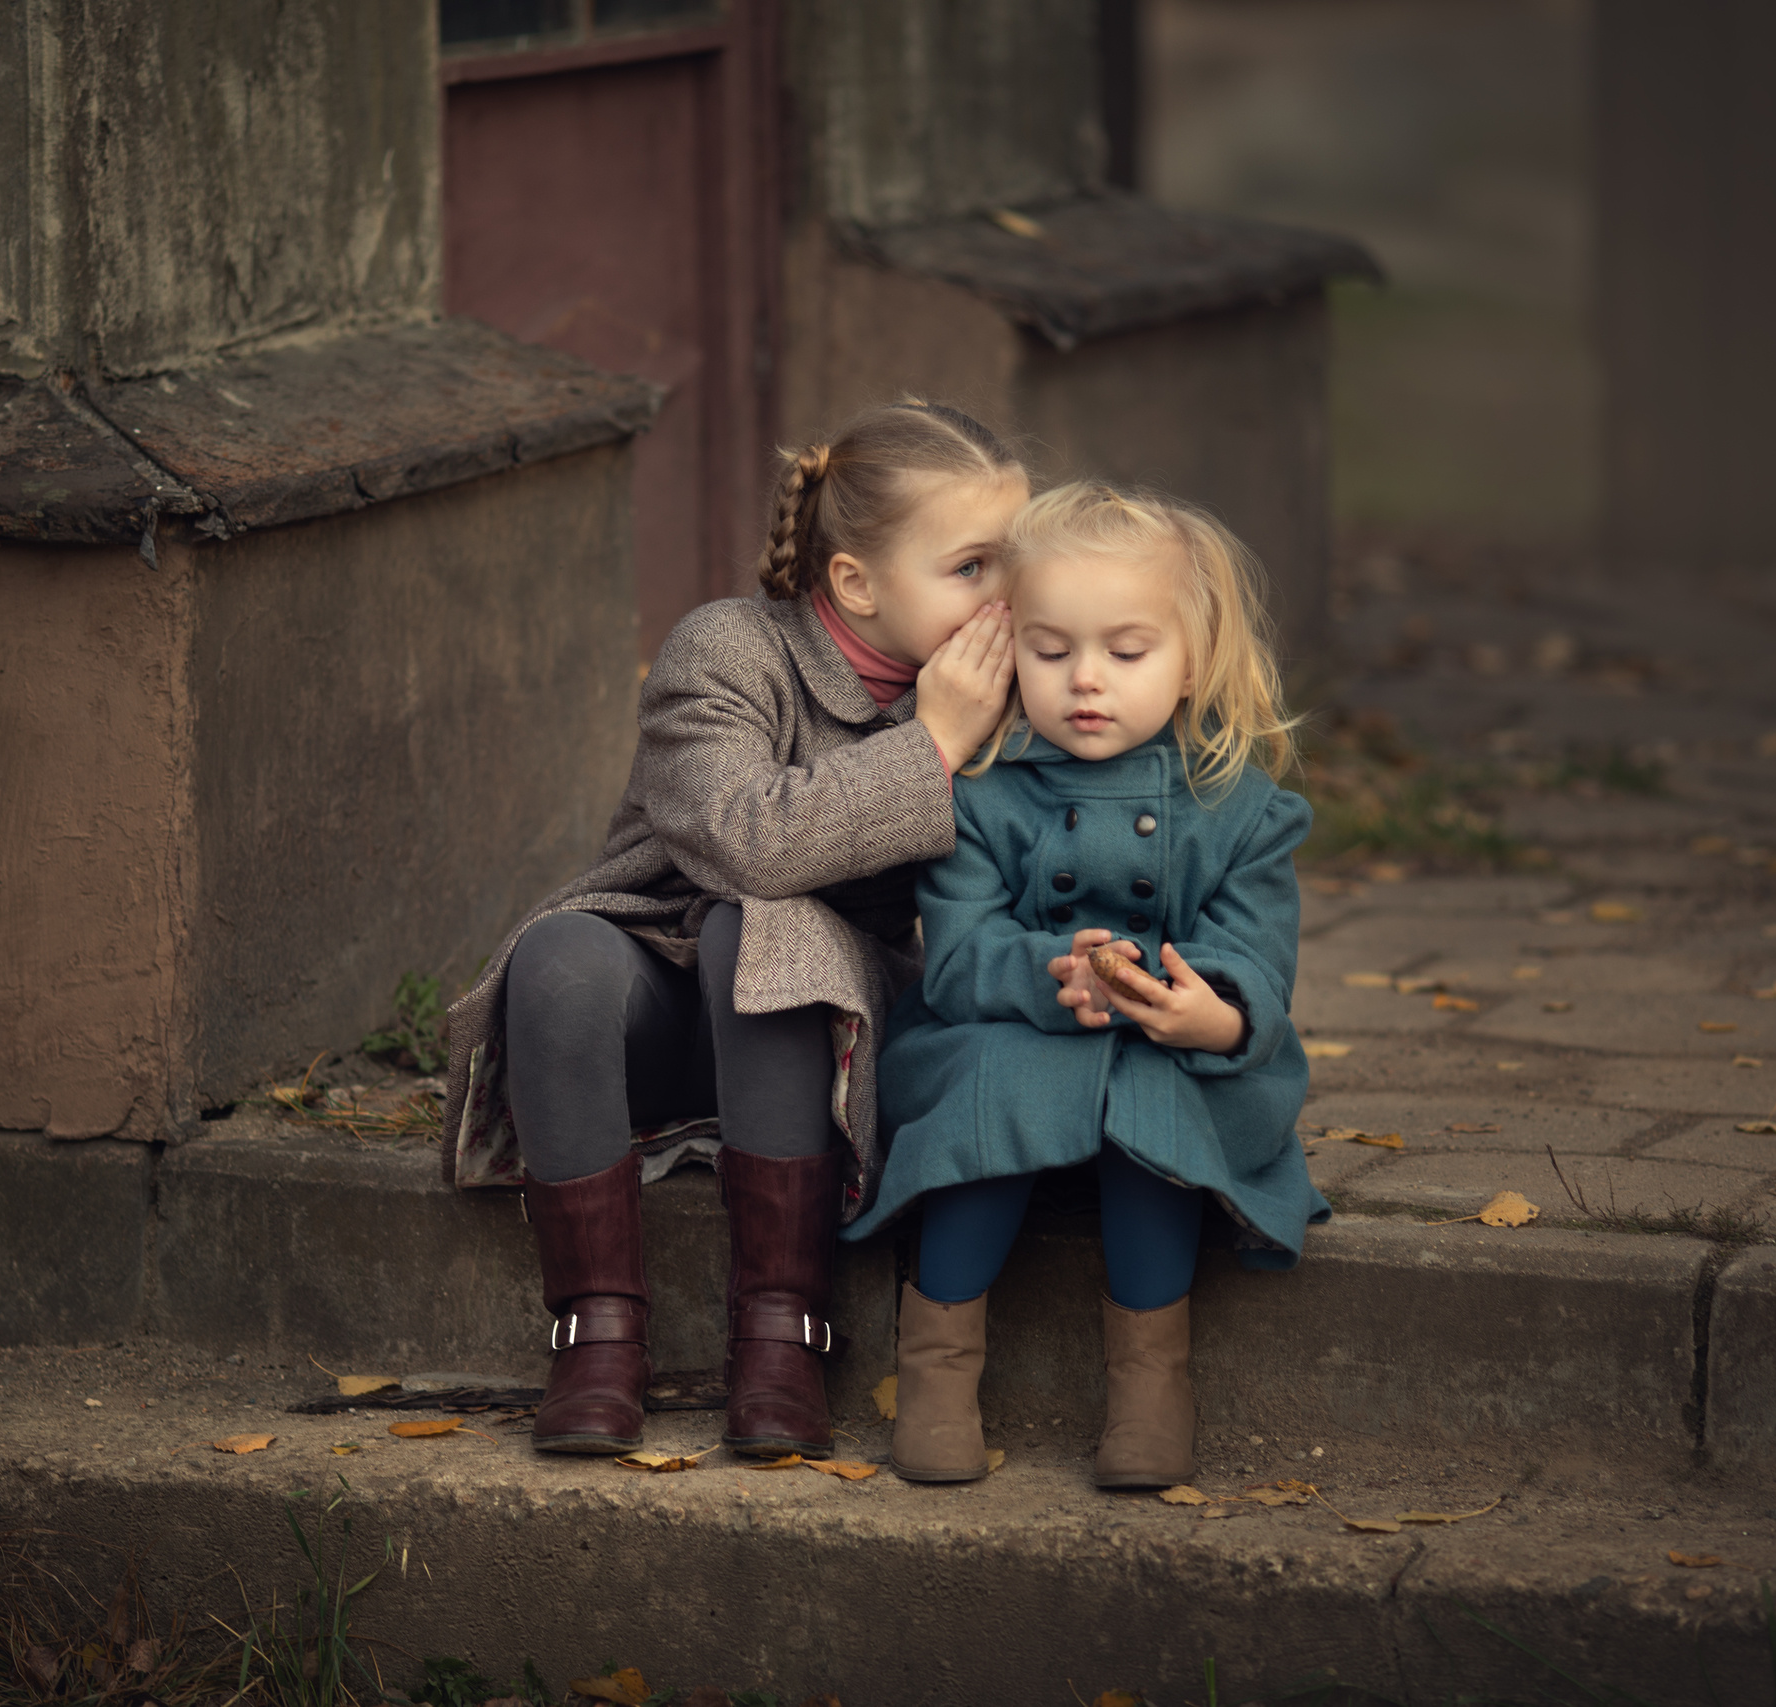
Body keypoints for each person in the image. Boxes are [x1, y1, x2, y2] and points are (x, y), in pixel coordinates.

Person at [439, 402, 1028, 1459]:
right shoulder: (727, 649)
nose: (1006, 598)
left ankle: (780, 1337)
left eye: (1014, 563)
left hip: (835, 1046)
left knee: (758, 941)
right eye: (972, 568)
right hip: (662, 1008)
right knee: (562, 952)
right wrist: (931, 742)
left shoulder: (1020, 691)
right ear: (854, 582)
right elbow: (744, 841)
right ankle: (594, 1336)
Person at [842, 482, 1329, 1490]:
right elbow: (963, 948)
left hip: (1169, 1054)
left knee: (1157, 1104)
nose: (1084, 681)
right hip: (1011, 1033)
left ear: (1191, 658)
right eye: (1051, 651)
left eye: (1126, 651)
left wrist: (1212, 1009)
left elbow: (1255, 953)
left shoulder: (1236, 806)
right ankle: (936, 1377)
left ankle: (1150, 1390)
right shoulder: (982, 791)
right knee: (992, 1084)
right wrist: (1042, 971)